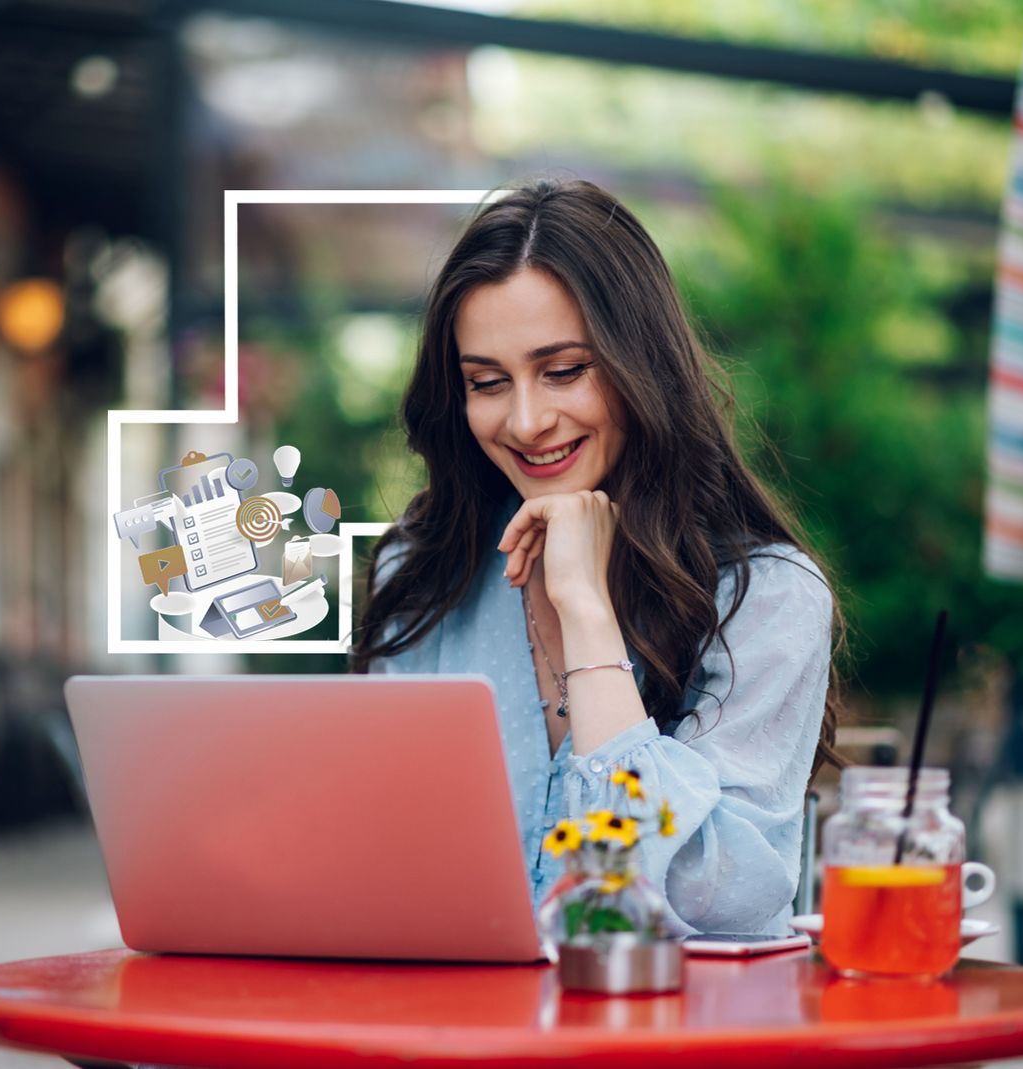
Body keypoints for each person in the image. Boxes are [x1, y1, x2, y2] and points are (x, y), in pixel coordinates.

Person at [350, 178, 842, 937]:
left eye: (564, 370)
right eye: (486, 382)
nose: (525, 420)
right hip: (450, 1033)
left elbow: (709, 900)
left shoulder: (768, 599)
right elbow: (372, 858)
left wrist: (585, 608)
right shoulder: (420, 579)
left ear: (641, 363)